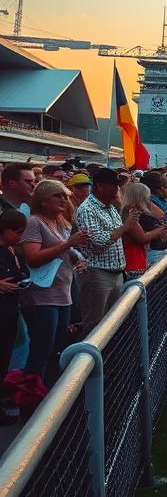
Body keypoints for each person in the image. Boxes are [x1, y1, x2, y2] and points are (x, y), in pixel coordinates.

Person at [19, 180, 88, 385]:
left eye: (64, 195)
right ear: (42, 201)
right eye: (57, 195)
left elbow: (63, 251)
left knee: (57, 346)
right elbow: (32, 257)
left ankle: (50, 391)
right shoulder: (34, 222)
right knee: (43, 348)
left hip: (62, 293)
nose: (63, 199)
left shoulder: (61, 221)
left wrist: (77, 258)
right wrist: (68, 243)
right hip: (42, 296)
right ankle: (31, 398)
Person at [73, 168, 134, 333]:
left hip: (115, 272)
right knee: (95, 325)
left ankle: (109, 357)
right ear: (99, 186)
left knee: (112, 322)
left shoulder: (110, 207)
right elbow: (99, 242)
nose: (117, 189)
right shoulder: (87, 209)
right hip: (96, 273)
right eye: (113, 185)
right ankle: (91, 358)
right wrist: (125, 226)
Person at [0, 209, 29, 422]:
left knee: (5, 356)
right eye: (18, 232)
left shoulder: (11, 250)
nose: (21, 237)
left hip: (10, 310)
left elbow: (19, 274)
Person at [120, 183, 167, 278]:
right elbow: (142, 238)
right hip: (133, 265)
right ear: (139, 198)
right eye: (147, 198)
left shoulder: (130, 212)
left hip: (137, 263)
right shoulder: (128, 213)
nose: (149, 202)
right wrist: (163, 227)